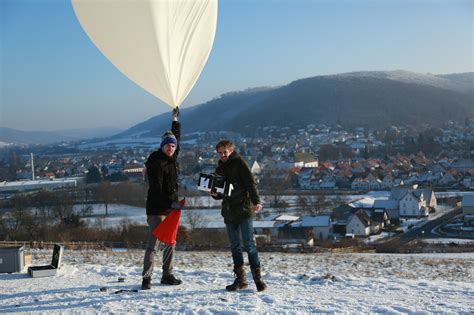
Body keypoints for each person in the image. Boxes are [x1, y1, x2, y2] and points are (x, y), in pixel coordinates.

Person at [211, 140, 267, 292]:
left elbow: (251, 183)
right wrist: (214, 194)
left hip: (243, 210)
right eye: (220, 153)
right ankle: (240, 280)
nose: (222, 155)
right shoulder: (219, 169)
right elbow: (219, 193)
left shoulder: (240, 163)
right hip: (229, 212)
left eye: (225, 152)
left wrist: (256, 201)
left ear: (230, 151)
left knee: (249, 244)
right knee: (235, 246)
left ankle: (258, 279)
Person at [141, 107, 182, 290]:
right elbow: (156, 189)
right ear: (162, 145)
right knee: (153, 245)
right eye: (168, 145)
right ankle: (147, 278)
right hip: (158, 209)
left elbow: (176, 138)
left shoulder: (172, 157)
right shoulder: (156, 162)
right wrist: (170, 203)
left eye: (173, 146)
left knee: (170, 243)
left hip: (171, 209)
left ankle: (167, 275)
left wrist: (175, 120)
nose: (171, 148)